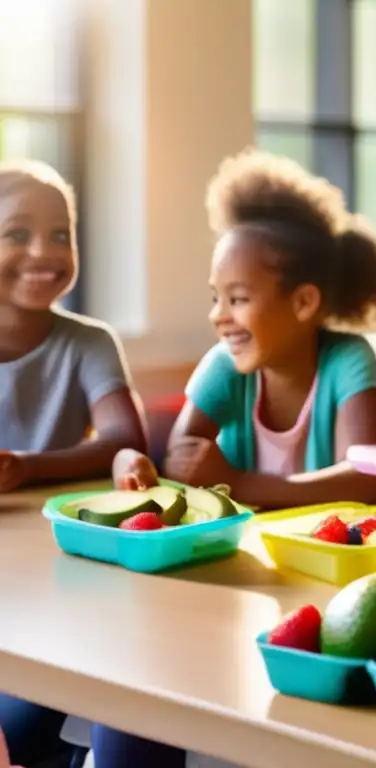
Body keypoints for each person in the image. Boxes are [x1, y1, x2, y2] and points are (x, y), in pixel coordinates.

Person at [117, 149, 376, 510]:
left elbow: (369, 480)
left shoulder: (347, 360)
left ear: (303, 303)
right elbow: (181, 461)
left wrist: (239, 484)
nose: (219, 315)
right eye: (216, 297)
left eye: (239, 299)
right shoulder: (223, 365)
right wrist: (136, 465)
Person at [0, 160, 151, 768]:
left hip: (55, 584)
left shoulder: (89, 341)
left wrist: (29, 467)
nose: (45, 250)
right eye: (17, 233)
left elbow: (125, 435)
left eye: (61, 234)